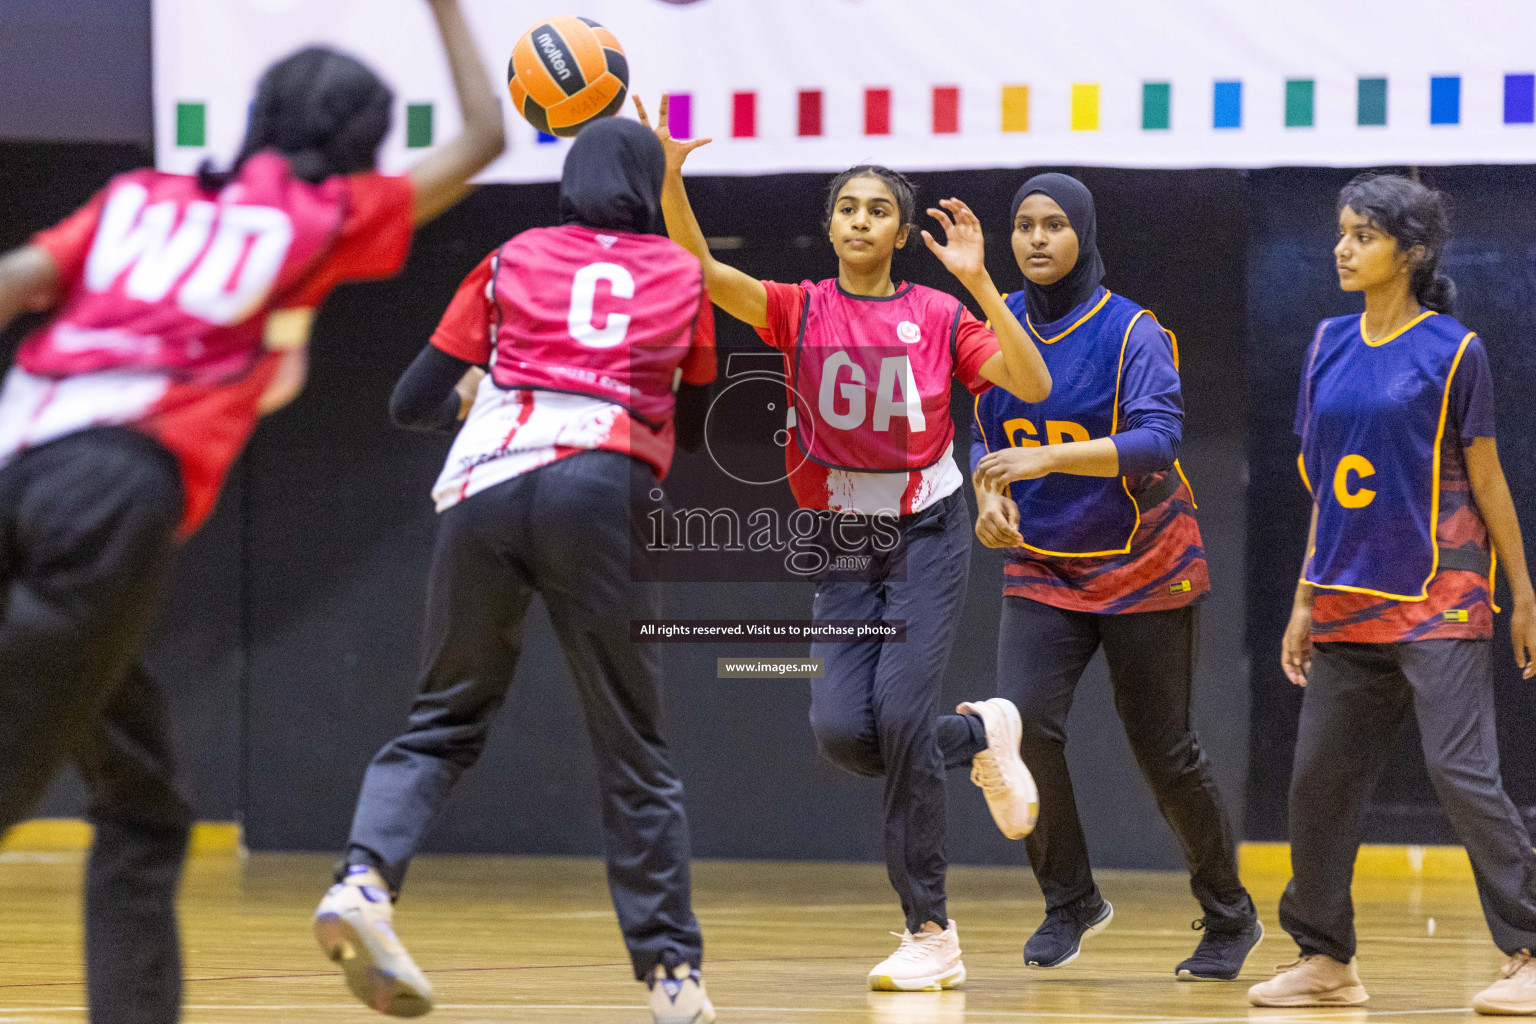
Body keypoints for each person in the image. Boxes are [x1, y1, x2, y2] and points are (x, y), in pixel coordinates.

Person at [0, 5, 503, 1022]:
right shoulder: (316, 217)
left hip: (15, 454)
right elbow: (485, 139)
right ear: (359, 144)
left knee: (142, 803)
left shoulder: (138, 195)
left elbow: (13, 282)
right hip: (112, 494)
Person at [637, 95, 1045, 993]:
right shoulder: (797, 307)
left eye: (879, 209)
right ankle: (980, 731)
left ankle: (930, 931)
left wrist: (980, 282)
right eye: (848, 207)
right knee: (840, 732)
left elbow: (1030, 376)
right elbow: (698, 269)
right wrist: (670, 176)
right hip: (840, 537)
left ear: (901, 232)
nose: (861, 219)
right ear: (829, 225)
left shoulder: (937, 315)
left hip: (927, 531)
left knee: (897, 720)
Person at [315, 117, 719, 1024]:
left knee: (440, 718)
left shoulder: (513, 255)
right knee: (633, 747)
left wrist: (477, 390)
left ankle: (363, 882)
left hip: (485, 480)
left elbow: (410, 400)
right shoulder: (681, 275)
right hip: (601, 483)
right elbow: (693, 417)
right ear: (649, 187)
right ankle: (672, 979)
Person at [1247, 172, 1536, 1014]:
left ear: (1409, 254)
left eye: (1364, 235)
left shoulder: (1455, 349)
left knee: (1459, 770)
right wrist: (1303, 599)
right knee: (1318, 784)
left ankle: (1529, 944)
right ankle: (1325, 958)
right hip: (1343, 596)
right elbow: (1327, 492)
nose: (1343, 248)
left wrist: (1521, 593)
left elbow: (1487, 480)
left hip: (1440, 593)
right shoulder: (1326, 343)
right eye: (1341, 232)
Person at [970, 173, 1262, 980]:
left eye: (1054, 225)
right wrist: (987, 492)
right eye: (1024, 225)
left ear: (1084, 236)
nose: (1035, 239)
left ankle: (1230, 917)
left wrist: (1049, 457)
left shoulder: (1132, 331)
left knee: (1166, 752)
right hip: (1044, 565)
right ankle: (1071, 901)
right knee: (1018, 731)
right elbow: (979, 434)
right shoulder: (997, 329)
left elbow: (1157, 439)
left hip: (1146, 563)